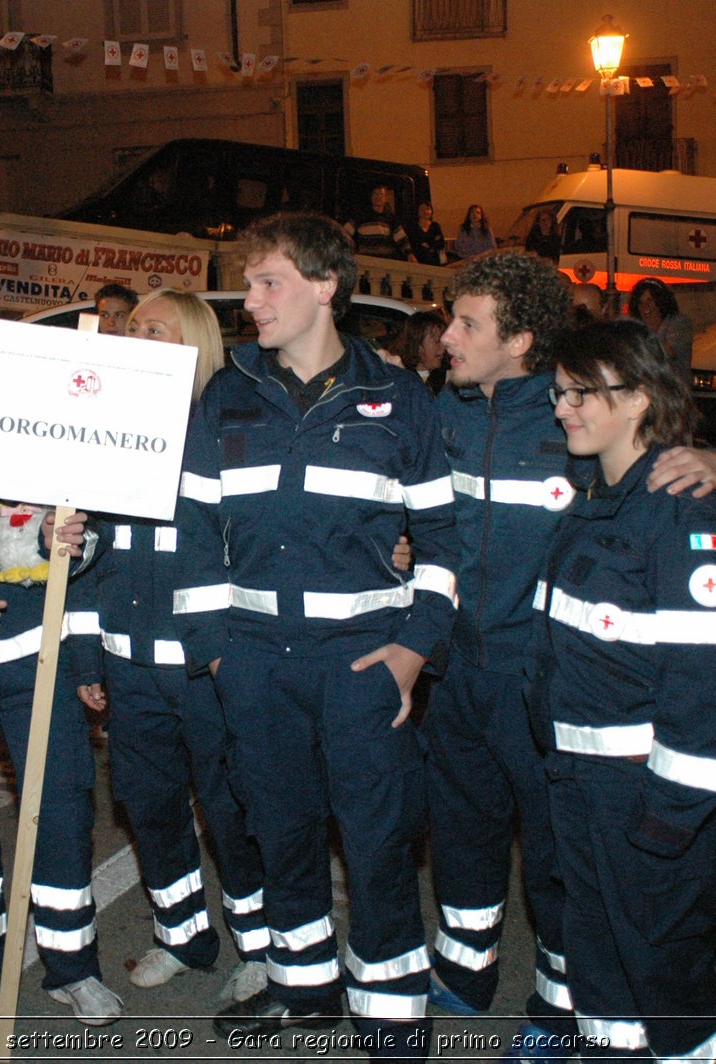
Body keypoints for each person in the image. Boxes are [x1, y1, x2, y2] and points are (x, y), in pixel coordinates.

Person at [425, 250, 716, 1061]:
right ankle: (464, 971)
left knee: (572, 873)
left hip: (552, 690)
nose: (445, 335)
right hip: (462, 672)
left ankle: (562, 1012)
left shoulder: (579, 426)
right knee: (466, 832)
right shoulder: (446, 411)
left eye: (466, 322)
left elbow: (669, 480)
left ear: (520, 339)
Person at [174, 212, 458, 1059]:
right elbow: (192, 535)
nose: (251, 302)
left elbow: (442, 548)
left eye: (269, 283)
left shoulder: (400, 398)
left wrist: (413, 653)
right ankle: (305, 995)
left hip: (362, 666)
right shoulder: (225, 395)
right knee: (281, 833)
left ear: (325, 285)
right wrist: (217, 653)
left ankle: (393, 1018)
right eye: (249, 284)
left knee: (376, 844)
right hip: (254, 666)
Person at [528, 318, 716, 1064]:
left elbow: (707, 687)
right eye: (559, 393)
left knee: (666, 983)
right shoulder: (599, 498)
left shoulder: (686, 512)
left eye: (581, 393)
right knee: (603, 976)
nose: (563, 408)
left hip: (643, 800)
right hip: (581, 788)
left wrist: (670, 819)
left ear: (641, 396)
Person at [70, 290, 270, 1006]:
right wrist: (88, 658)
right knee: (147, 804)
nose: (136, 336)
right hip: (128, 665)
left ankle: (262, 945)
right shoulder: (105, 428)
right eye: (131, 329)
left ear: (194, 341)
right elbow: (93, 556)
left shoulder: (226, 425)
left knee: (230, 807)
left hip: (203, 667)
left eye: (153, 328)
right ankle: (181, 934)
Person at [0, 447, 110, 1024]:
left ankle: (73, 966)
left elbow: (87, 561)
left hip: (37, 664)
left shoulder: (27, 431)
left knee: (61, 809)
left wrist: (85, 661)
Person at [627, 278, 693, 387]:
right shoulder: (637, 327)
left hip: (675, 393)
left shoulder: (679, 323)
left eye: (650, 301)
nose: (645, 307)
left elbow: (667, 352)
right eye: (641, 302)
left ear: (661, 302)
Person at [344, 186, 414, 261]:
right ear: (371, 197)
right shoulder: (360, 215)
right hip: (366, 260)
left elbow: (401, 238)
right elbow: (344, 233)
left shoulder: (391, 218)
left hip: (384, 261)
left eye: (381, 194)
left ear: (385, 199)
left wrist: (409, 254)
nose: (378, 197)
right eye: (375, 194)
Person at [391, 310, 449, 395]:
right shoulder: (400, 377)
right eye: (437, 341)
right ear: (418, 343)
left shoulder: (449, 378)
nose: (443, 347)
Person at [409, 202, 447, 267]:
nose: (425, 212)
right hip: (418, 260)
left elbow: (440, 243)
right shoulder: (413, 227)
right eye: (422, 210)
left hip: (435, 260)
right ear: (417, 212)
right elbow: (414, 243)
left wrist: (429, 245)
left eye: (428, 209)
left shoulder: (435, 226)